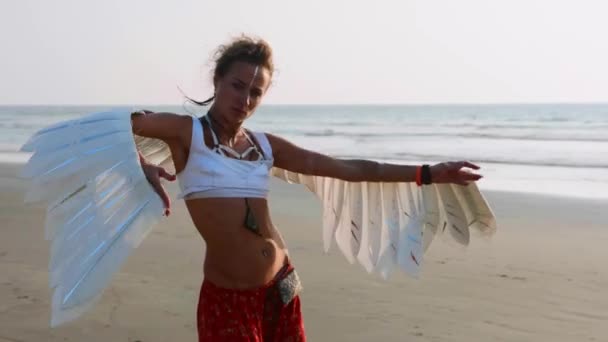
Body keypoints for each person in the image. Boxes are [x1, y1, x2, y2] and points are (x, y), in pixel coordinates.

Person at [130, 35, 482, 342]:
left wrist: (428, 173)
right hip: (229, 299)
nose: (245, 100)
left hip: (281, 287)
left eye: (256, 92)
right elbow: (119, 127)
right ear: (218, 79)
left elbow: (349, 169)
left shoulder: (264, 146)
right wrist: (140, 164)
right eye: (238, 86)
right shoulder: (186, 133)